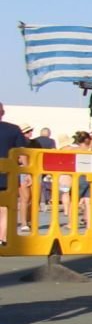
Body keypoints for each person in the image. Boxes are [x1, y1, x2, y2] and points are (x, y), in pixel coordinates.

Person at [0, 102, 28, 239]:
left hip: (7, 175)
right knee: (4, 208)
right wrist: (26, 173)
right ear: (2, 113)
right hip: (7, 175)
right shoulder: (13, 130)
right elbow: (22, 154)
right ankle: (2, 238)